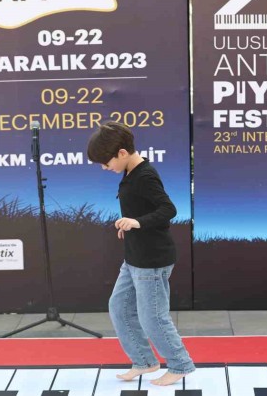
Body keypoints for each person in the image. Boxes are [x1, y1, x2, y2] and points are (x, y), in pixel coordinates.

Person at [87, 121, 195, 386]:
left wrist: (137, 222)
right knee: (119, 307)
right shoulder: (129, 172)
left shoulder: (144, 175)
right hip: (134, 257)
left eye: (106, 163)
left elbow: (168, 209)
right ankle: (144, 361)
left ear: (122, 153)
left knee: (152, 317)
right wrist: (131, 225)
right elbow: (142, 208)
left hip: (152, 261)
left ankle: (180, 364)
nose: (105, 168)